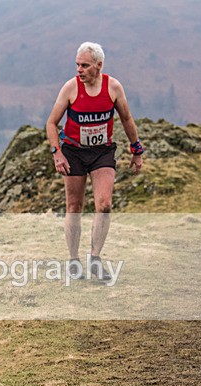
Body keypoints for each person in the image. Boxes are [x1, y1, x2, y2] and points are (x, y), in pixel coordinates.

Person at [45, 42, 144, 281]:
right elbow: (51, 123)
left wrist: (136, 148)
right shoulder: (70, 88)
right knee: (74, 207)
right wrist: (56, 153)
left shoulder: (113, 87)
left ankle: (95, 259)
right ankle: (73, 260)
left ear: (99, 66)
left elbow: (127, 118)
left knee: (105, 204)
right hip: (74, 153)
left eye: (85, 65)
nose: (79, 69)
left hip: (102, 153)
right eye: (77, 65)